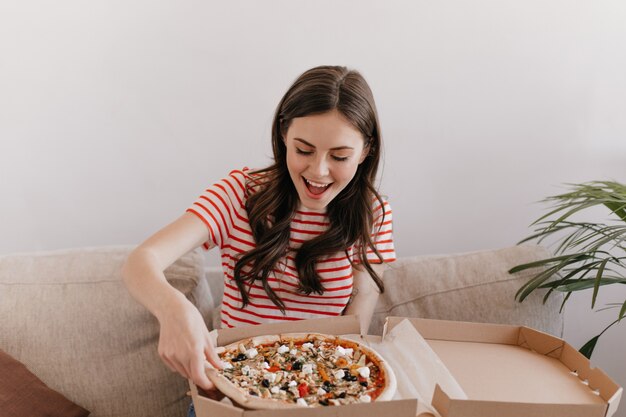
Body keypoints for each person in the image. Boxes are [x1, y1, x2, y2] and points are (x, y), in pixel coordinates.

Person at [121, 65, 396, 413]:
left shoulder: (374, 213)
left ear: (366, 150)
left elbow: (357, 320)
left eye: (339, 156)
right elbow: (140, 261)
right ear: (283, 134)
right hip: (232, 397)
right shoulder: (239, 193)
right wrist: (172, 309)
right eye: (304, 150)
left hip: (318, 399)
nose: (319, 171)